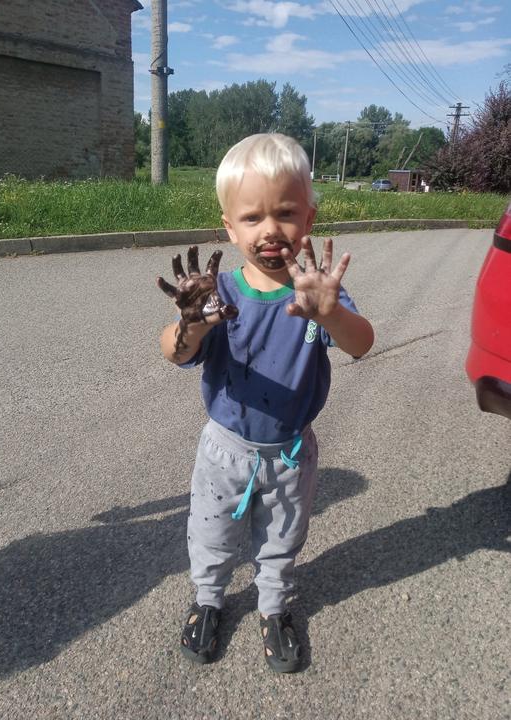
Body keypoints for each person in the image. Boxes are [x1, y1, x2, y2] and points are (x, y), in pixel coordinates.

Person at [157, 133, 374, 673]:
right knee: (212, 533)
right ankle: (208, 599)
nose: (270, 229)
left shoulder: (316, 293)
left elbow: (361, 344)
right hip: (225, 450)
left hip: (291, 453)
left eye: (286, 213)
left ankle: (273, 607)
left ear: (309, 218)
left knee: (282, 537)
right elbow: (173, 351)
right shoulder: (219, 294)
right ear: (230, 228)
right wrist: (192, 324)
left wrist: (330, 314)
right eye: (252, 217)